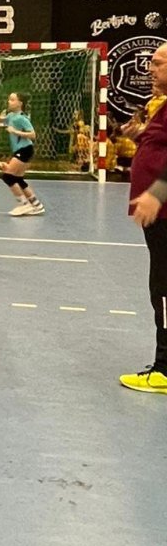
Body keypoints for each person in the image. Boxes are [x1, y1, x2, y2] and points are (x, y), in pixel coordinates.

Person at [122, 44, 167, 393]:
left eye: (158, 63)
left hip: (164, 210)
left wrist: (158, 192)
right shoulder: (160, 105)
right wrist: (141, 135)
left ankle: (164, 370)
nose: (150, 69)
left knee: (163, 288)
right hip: (159, 212)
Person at [1, 91, 44, 216]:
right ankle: (37, 205)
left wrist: (15, 132)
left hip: (25, 149)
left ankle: (24, 204)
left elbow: (33, 135)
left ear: (20, 103)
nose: (9, 102)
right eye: (9, 99)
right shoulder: (11, 115)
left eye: (12, 100)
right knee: (18, 179)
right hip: (21, 150)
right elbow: (2, 119)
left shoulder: (22, 118)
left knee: (8, 176)